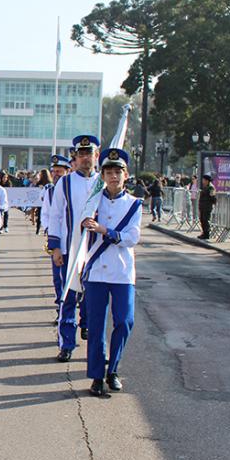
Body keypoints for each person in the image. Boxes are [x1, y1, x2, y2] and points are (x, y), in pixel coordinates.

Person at [81, 148, 142, 397]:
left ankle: (113, 369)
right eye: (109, 172)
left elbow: (132, 238)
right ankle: (97, 375)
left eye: (118, 172)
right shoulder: (93, 199)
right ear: (103, 175)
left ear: (125, 175)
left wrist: (106, 231)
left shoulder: (134, 204)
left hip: (122, 271)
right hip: (96, 270)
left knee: (125, 321)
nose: (114, 176)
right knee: (96, 326)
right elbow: (80, 224)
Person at [48, 135, 101, 362]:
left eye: (89, 154)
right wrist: (56, 247)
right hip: (71, 249)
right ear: (75, 158)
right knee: (68, 298)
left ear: (96, 156)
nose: (86, 159)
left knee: (92, 296)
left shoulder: (103, 182)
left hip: (96, 250)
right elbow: (56, 214)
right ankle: (66, 343)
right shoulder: (65, 182)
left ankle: (88, 326)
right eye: (81, 155)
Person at [42, 155, 71, 321]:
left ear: (68, 171)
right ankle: (62, 310)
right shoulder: (50, 191)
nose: (56, 175)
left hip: (74, 240)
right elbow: (46, 214)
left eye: (60, 172)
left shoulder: (73, 187)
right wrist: (49, 230)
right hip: (57, 240)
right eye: (54, 172)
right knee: (58, 277)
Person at [197, 174, 216, 240]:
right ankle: (204, 233)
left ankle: (207, 234)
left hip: (207, 207)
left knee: (206, 220)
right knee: (202, 219)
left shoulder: (211, 187)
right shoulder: (205, 186)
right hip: (203, 206)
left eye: (204, 180)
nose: (203, 181)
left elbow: (213, 197)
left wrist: (211, 204)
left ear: (207, 180)